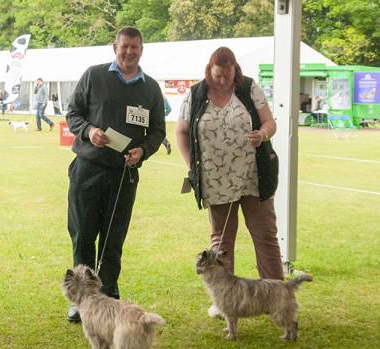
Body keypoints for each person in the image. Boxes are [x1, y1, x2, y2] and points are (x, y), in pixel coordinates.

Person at [65, 26, 166, 323]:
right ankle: (82, 300)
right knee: (83, 234)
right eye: (125, 46)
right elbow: (73, 114)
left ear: (141, 49)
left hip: (124, 174)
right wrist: (89, 131)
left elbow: (158, 131)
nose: (129, 52)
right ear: (115, 47)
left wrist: (143, 151)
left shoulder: (151, 88)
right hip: (88, 169)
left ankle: (107, 295)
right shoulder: (93, 75)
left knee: (113, 238)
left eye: (135, 47)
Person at [175, 46, 282, 318]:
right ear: (209, 70)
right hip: (215, 180)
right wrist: (192, 166)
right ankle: (223, 301)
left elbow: (270, 122)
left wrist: (263, 134)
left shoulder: (248, 88)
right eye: (218, 76)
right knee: (221, 243)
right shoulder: (195, 94)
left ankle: (276, 297)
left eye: (228, 75)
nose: (223, 80)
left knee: (265, 236)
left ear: (235, 70)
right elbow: (182, 131)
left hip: (253, 176)